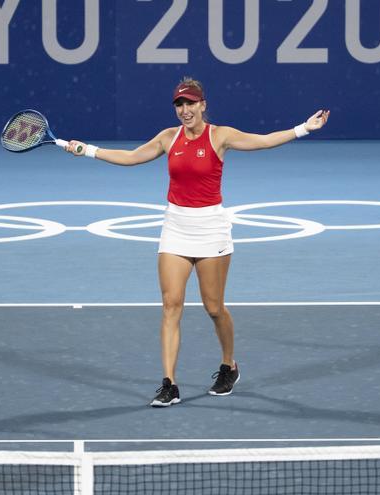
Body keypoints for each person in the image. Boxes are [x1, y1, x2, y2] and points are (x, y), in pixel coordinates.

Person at [63, 77, 329, 407]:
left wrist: (304, 128)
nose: (185, 110)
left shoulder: (220, 136)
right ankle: (169, 384)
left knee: (214, 307)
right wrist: (88, 150)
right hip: (175, 227)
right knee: (171, 304)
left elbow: (263, 141)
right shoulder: (167, 138)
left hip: (211, 229)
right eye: (179, 104)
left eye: (191, 103)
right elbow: (131, 157)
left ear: (203, 104)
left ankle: (229, 365)